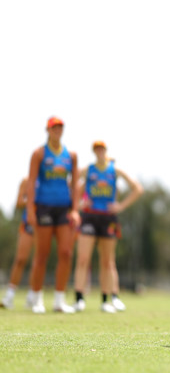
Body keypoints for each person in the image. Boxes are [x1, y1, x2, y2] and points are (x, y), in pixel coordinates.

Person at [72, 141, 143, 313]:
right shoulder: (88, 170)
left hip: (108, 218)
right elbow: (71, 183)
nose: (100, 152)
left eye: (102, 149)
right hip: (89, 217)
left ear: (106, 151)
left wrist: (121, 206)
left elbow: (137, 188)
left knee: (108, 261)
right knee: (83, 258)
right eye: (96, 149)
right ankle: (79, 299)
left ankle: (107, 299)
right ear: (94, 152)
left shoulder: (115, 170)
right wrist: (80, 204)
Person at [27, 116, 80, 313]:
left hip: (63, 209)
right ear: (47, 130)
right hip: (44, 207)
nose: (57, 131)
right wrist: (30, 209)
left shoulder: (71, 155)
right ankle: (37, 298)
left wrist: (75, 209)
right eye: (53, 128)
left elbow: (75, 184)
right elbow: (31, 181)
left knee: (66, 252)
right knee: (42, 254)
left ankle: (59, 300)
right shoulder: (39, 154)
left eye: (60, 128)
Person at [0, 178, 36, 309]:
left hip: (44, 225)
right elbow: (19, 202)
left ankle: (33, 296)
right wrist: (33, 200)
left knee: (38, 261)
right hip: (28, 224)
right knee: (20, 259)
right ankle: (9, 296)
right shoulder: (26, 181)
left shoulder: (49, 180)